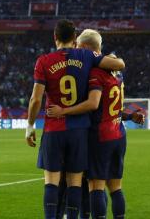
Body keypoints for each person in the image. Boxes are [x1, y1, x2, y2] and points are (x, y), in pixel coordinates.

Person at [25, 20, 125, 219]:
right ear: (74, 38)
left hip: (54, 128)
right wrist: (110, 59)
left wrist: (29, 125)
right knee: (75, 183)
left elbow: (36, 99)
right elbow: (118, 64)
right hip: (80, 129)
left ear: (55, 38)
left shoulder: (43, 61)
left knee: (52, 181)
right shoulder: (86, 55)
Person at [47, 29, 144, 219]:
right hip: (119, 134)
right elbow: (112, 109)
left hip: (101, 137)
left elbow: (94, 104)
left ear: (84, 47)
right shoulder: (117, 74)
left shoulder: (95, 72)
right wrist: (130, 116)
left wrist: (63, 111)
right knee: (115, 187)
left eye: (78, 46)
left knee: (95, 186)